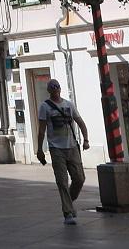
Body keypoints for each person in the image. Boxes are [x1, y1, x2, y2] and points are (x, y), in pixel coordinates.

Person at [35, 78, 90, 225]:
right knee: (62, 181)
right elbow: (41, 130)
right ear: (49, 90)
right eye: (52, 88)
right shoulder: (44, 107)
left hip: (72, 147)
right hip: (56, 148)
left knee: (79, 178)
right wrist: (39, 149)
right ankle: (68, 213)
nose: (55, 90)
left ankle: (69, 204)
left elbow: (80, 122)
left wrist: (86, 139)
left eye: (57, 87)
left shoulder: (68, 105)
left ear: (60, 89)